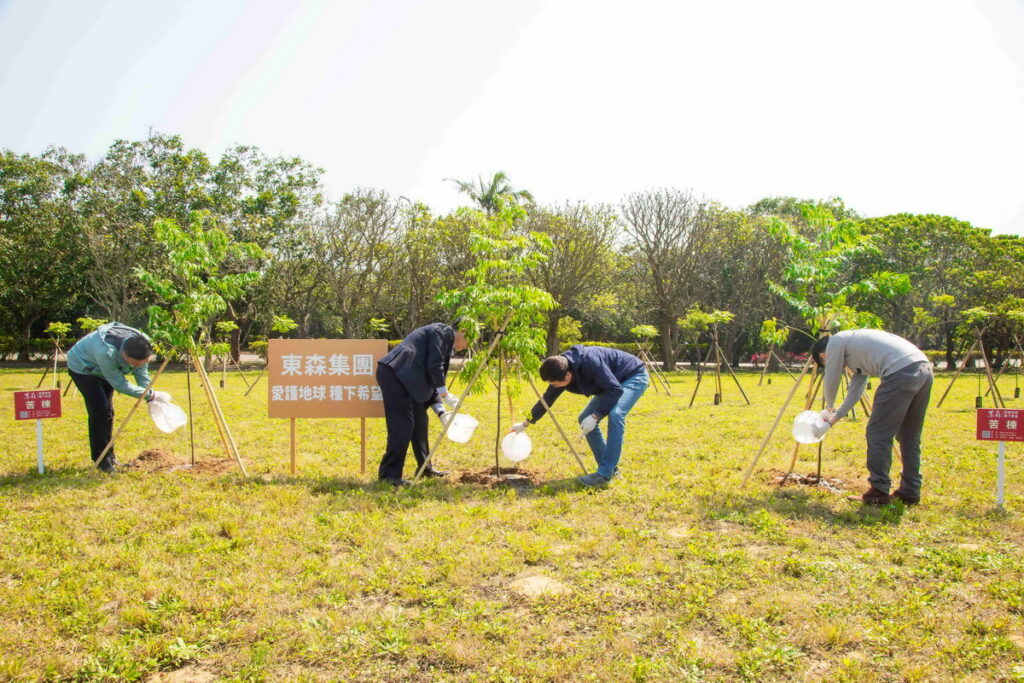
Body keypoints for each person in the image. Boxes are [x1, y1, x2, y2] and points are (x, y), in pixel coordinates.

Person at [811, 329, 933, 505]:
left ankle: (878, 491)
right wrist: (832, 420)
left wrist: (829, 406)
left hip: (899, 373)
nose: (840, 366)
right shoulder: (858, 351)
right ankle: (910, 491)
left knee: (878, 434)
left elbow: (832, 376)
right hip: (924, 369)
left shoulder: (836, 341)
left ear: (824, 355)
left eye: (825, 361)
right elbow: (856, 391)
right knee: (908, 435)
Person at [510, 345, 649, 487]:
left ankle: (604, 474)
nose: (553, 386)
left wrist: (595, 416)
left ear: (568, 375)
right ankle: (610, 469)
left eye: (554, 383)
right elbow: (547, 399)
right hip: (611, 383)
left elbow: (615, 389)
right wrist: (526, 423)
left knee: (616, 415)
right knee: (584, 418)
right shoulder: (560, 368)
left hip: (633, 375)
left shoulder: (591, 362)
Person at [66, 322, 170, 472]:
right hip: (84, 368)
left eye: (143, 362)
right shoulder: (105, 352)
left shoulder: (142, 345)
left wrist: (150, 394)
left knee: (108, 412)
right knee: (100, 411)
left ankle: (110, 457)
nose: (138, 366)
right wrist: (151, 395)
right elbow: (120, 384)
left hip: (106, 370)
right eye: (134, 364)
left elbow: (141, 374)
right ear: (124, 355)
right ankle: (101, 460)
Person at [376, 321, 469, 486]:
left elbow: (431, 378)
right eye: (470, 339)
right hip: (396, 375)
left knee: (420, 423)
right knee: (403, 425)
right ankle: (389, 475)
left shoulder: (444, 341)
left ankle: (425, 468)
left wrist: (442, 412)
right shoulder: (444, 331)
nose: (468, 345)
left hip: (409, 380)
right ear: (462, 331)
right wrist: (445, 394)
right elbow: (434, 365)